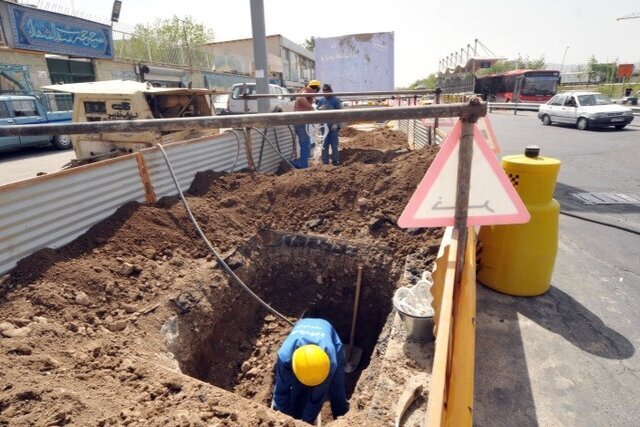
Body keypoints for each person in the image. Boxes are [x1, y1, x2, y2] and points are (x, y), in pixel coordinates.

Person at [273, 318, 349, 424]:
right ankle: (296, 408)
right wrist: (281, 420)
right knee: (297, 389)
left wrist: (306, 422)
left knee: (337, 389)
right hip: (303, 327)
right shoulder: (284, 357)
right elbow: (281, 393)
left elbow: (316, 399)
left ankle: (343, 418)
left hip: (327, 330)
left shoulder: (330, 363)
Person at [291, 80, 321, 169]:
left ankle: (303, 164)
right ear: (316, 88)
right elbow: (300, 98)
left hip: (301, 122)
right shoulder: (308, 90)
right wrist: (312, 109)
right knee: (305, 145)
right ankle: (303, 166)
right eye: (318, 91)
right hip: (300, 122)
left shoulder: (308, 93)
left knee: (306, 145)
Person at [316, 83, 342, 166]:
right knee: (325, 145)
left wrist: (337, 124)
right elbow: (315, 113)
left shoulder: (336, 100)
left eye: (327, 91)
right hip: (324, 127)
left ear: (330, 91)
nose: (325, 93)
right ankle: (325, 162)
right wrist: (319, 109)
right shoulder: (321, 101)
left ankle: (335, 161)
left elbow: (341, 113)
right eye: (324, 91)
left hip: (333, 127)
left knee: (334, 145)